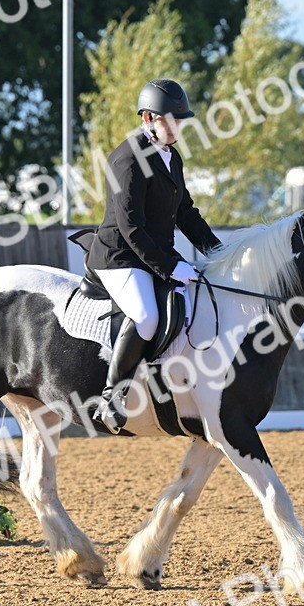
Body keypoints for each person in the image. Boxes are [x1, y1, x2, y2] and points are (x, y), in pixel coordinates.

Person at [86, 78, 222, 432]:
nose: (177, 126)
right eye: (170, 120)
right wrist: (170, 266)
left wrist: (220, 253)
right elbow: (131, 227)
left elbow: (186, 213)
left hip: (153, 252)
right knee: (146, 316)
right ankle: (111, 396)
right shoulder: (127, 159)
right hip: (120, 256)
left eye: (180, 120)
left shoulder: (170, 156)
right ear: (148, 117)